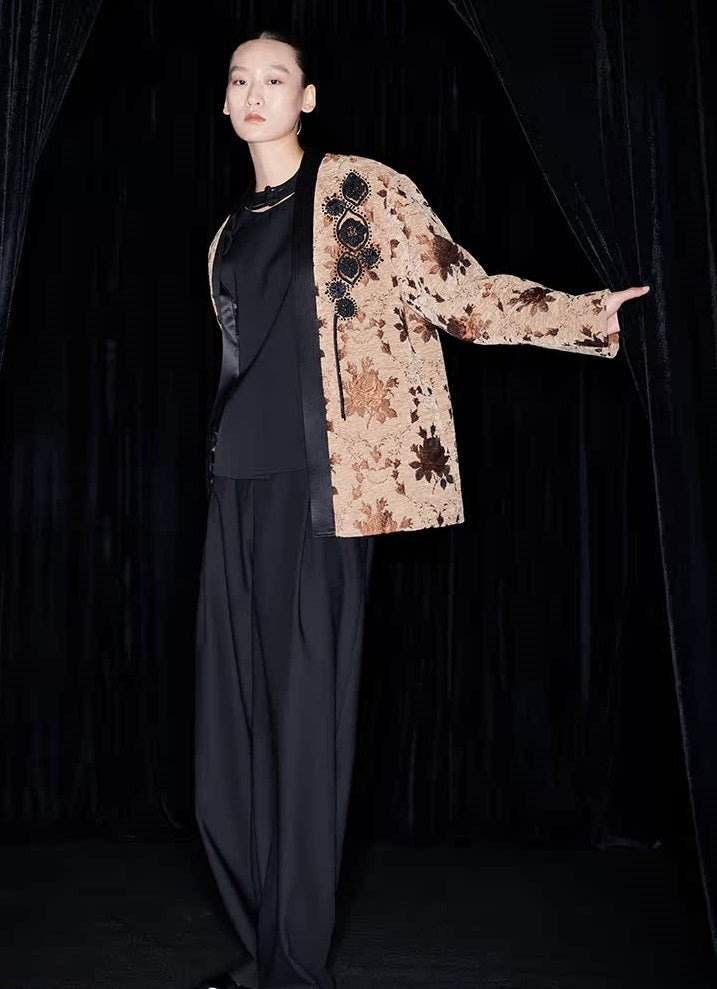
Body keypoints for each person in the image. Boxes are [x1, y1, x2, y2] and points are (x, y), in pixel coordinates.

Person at [192, 29, 650, 989]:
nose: (254, 92)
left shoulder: (359, 190)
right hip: (235, 488)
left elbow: (459, 295)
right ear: (225, 100)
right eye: (239, 79)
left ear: (307, 98)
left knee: (304, 731)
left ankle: (294, 966)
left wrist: (579, 314)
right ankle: (258, 946)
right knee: (232, 738)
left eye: (275, 78)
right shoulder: (227, 232)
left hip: (326, 493)